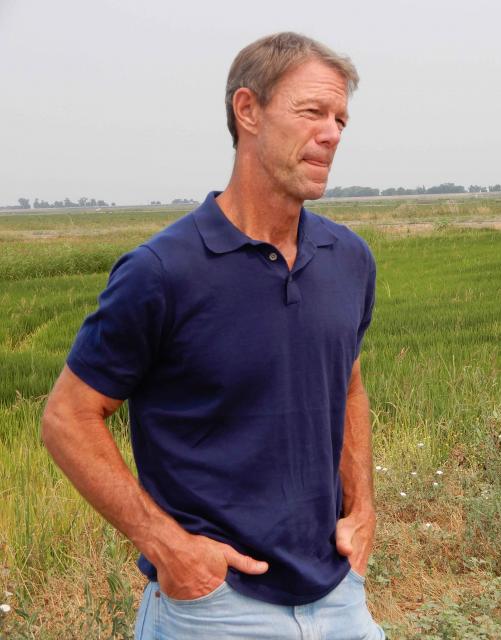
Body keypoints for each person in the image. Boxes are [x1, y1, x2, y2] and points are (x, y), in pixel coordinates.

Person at [40, 32, 385, 639]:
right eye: (312, 112)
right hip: (217, 610)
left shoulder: (348, 258)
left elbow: (347, 382)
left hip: (339, 601)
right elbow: (68, 418)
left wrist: (362, 509)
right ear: (247, 110)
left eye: (340, 119)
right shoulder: (162, 271)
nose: (332, 133)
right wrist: (168, 546)